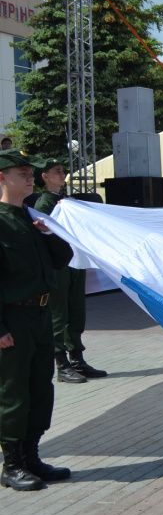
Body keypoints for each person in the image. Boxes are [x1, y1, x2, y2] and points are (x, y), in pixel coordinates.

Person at [0, 149, 76, 491]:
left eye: (30, 172)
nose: (30, 176)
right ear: (2, 178)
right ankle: (12, 464)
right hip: (13, 319)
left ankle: (32, 457)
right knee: (13, 392)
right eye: (21, 172)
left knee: (39, 389)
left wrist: (47, 233)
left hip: (41, 315)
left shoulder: (30, 217)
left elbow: (64, 258)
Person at [33, 158, 104, 385]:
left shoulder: (67, 201)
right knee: (59, 316)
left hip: (74, 263)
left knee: (76, 313)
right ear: (44, 176)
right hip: (59, 268)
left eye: (63, 171)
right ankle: (62, 365)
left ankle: (77, 359)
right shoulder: (43, 203)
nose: (62, 175)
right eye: (57, 171)